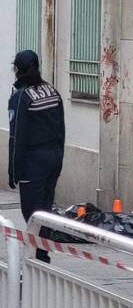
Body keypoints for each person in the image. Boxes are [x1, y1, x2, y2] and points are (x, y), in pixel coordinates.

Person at [8, 50, 65, 263]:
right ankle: (42, 254)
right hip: (54, 159)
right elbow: (61, 129)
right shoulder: (52, 91)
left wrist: (14, 169)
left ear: (19, 70)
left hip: (33, 162)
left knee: (31, 212)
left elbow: (17, 136)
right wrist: (59, 157)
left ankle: (38, 257)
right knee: (45, 210)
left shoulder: (21, 97)